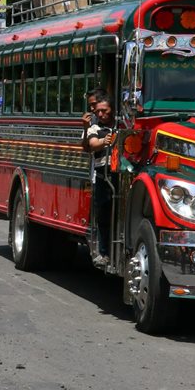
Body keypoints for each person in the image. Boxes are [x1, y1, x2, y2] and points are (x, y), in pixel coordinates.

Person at [84, 97, 116, 265]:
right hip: (103, 173)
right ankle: (104, 253)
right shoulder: (94, 127)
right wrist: (105, 141)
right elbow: (92, 144)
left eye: (105, 110)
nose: (101, 114)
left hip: (121, 173)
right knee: (103, 214)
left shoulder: (121, 125)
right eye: (98, 111)